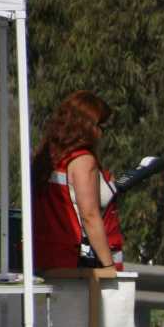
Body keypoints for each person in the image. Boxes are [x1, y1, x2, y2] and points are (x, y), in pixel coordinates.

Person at [31, 91, 125, 271]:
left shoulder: (48, 156)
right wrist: (108, 266)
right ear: (88, 127)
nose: (102, 134)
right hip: (73, 261)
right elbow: (89, 216)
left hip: (42, 256)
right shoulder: (83, 161)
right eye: (101, 127)